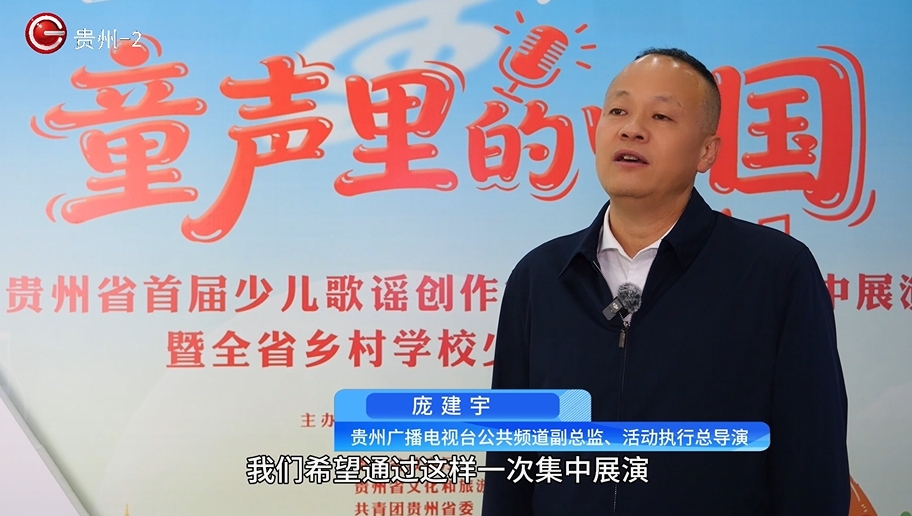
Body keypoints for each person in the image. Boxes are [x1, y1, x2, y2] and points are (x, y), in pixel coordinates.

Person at [480, 48, 849, 515]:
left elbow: (813, 461)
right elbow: (511, 460)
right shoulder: (541, 276)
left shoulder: (776, 272)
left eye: (661, 116)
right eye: (618, 111)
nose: (631, 129)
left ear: (707, 151)